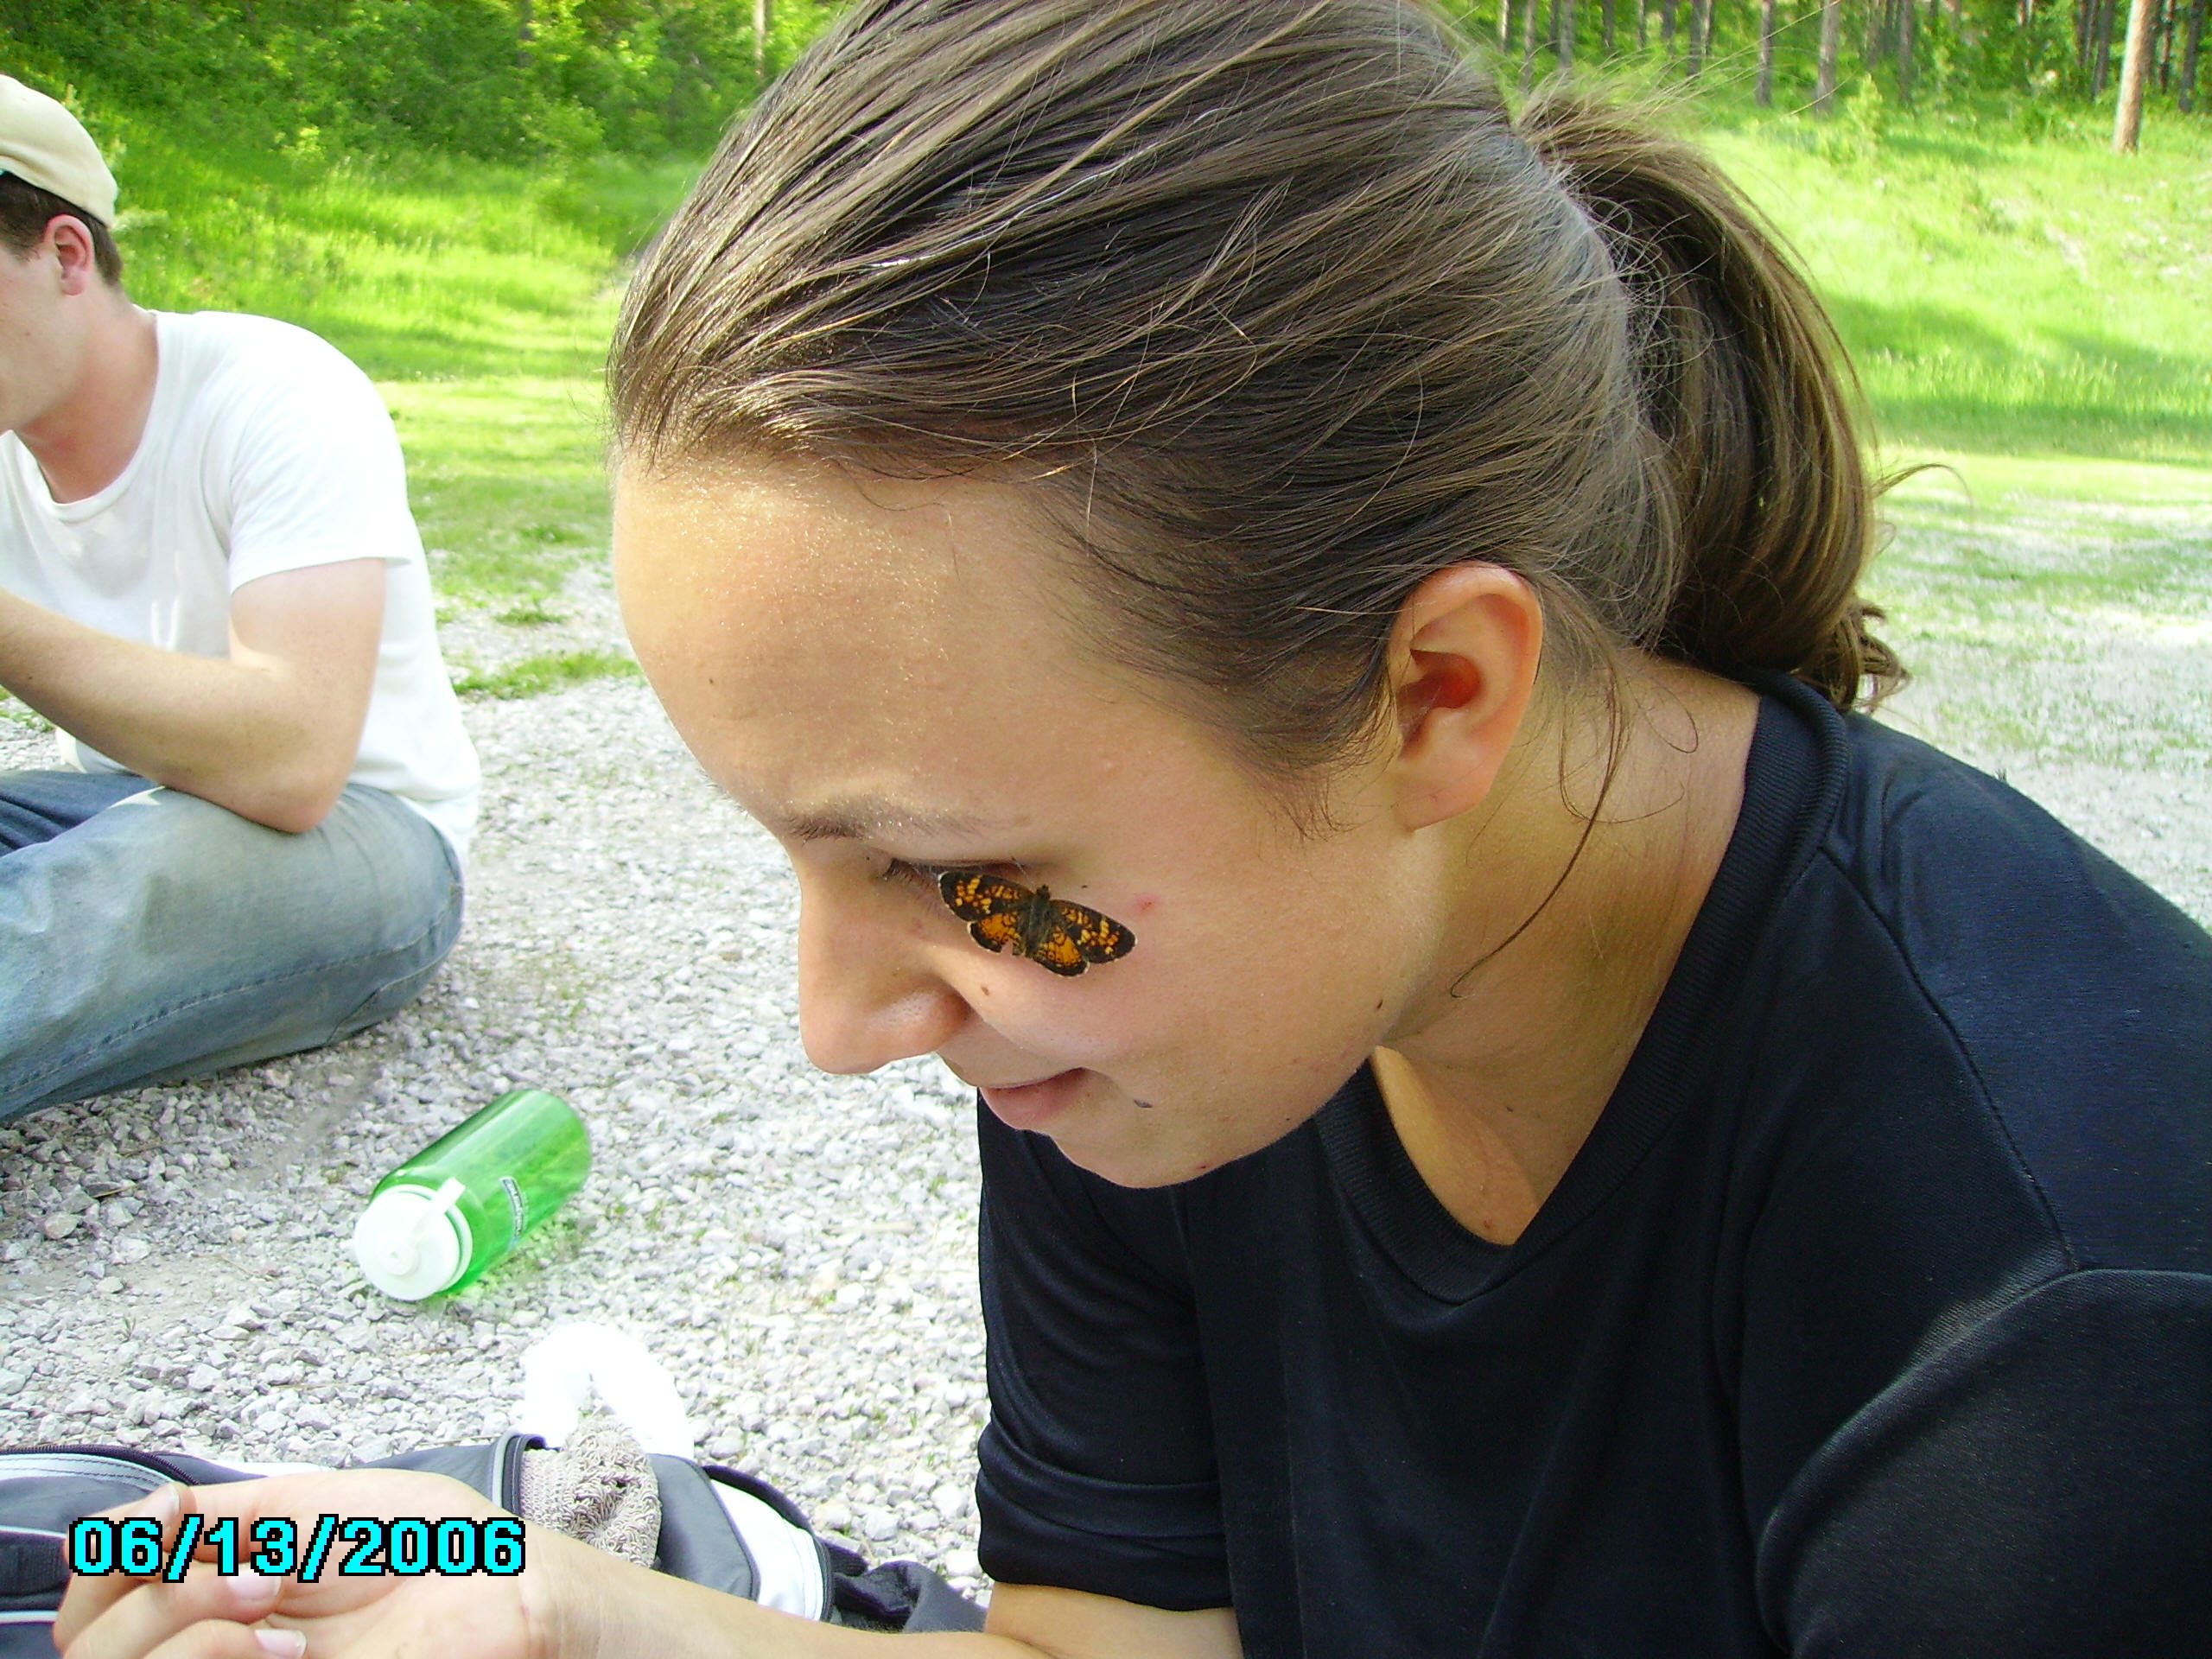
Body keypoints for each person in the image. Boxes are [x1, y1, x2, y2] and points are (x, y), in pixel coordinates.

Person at [58, 2, 2211, 1656]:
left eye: (934, 864)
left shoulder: (2052, 1345)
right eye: (796, 851)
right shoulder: (1188, 996)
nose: (838, 1023)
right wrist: (539, 1602)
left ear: (1433, 696)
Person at [0, 74, 478, 1122]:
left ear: (65, 254)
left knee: (88, 903)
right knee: (102, 870)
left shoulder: (276, 391)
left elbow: (292, 761)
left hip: (365, 838)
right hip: (127, 806)